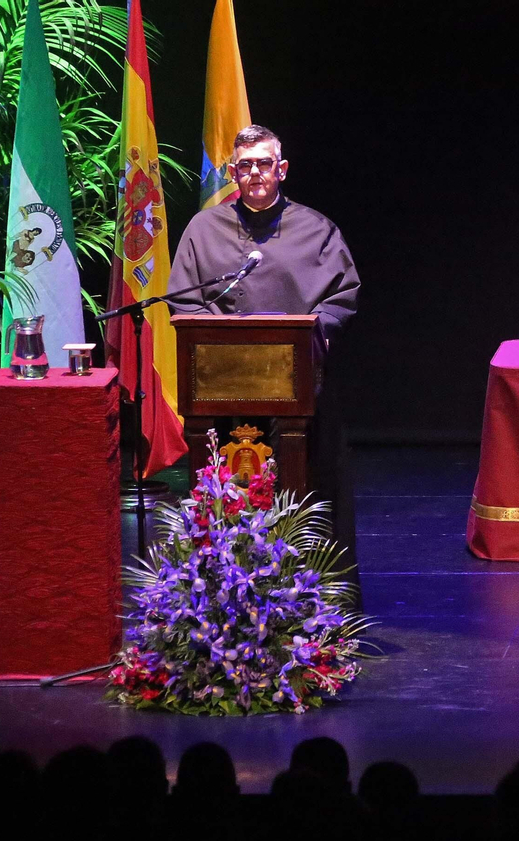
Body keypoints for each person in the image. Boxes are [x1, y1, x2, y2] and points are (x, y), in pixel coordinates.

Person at [168, 124, 361, 596]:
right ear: (232, 172)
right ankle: (218, 598)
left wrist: (316, 331)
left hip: (299, 395)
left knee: (308, 489)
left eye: (265, 163)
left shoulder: (317, 229)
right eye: (245, 165)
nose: (255, 173)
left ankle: (311, 596)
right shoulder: (203, 229)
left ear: (282, 170)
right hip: (224, 396)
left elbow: (343, 297)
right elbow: (183, 302)